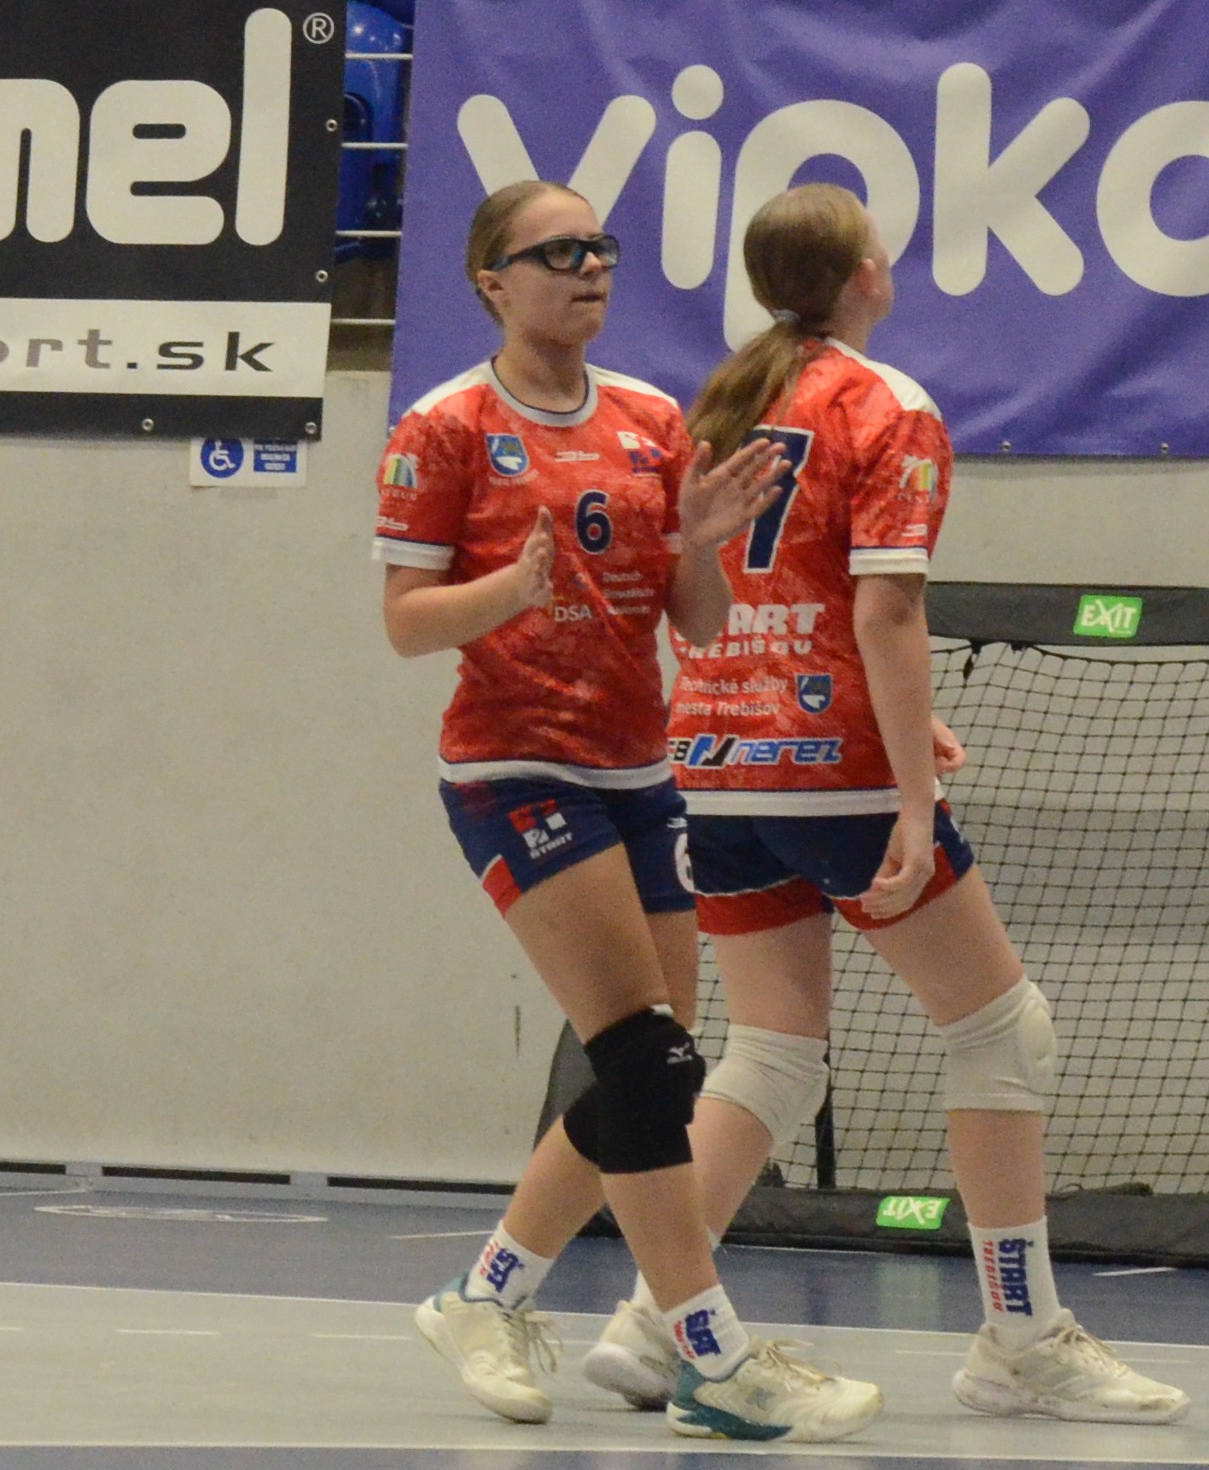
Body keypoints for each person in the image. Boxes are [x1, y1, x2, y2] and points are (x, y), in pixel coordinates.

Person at [570, 181, 1190, 1426]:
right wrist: (912, 791)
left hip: (718, 765)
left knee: (771, 1049)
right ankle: (1021, 1339)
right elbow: (886, 609)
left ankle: (654, 1319)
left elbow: (728, 598)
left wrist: (886, 725)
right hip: (837, 778)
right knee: (1002, 1031)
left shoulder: (720, 404)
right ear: (866, 272)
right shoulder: (884, 403)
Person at [374, 179, 884, 1442]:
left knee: (648, 1069)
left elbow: (697, 624)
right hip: (514, 770)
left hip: (637, 771)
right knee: (649, 1060)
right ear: (492, 281)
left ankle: (484, 1298)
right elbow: (404, 623)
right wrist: (510, 593)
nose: (589, 267)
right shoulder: (446, 426)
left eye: (598, 247)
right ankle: (714, 1357)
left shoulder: (653, 419)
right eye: (557, 253)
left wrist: (697, 543)